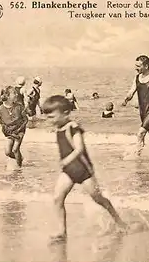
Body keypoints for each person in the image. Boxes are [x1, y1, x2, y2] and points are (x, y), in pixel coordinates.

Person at [41, 95, 132, 242]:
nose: (49, 120)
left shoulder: (73, 127)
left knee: (98, 198)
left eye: (52, 116)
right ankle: (62, 232)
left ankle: (119, 222)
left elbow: (79, 148)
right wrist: (66, 163)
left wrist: (66, 160)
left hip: (83, 170)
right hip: (68, 171)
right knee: (58, 198)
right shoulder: (59, 128)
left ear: (65, 113)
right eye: (47, 117)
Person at [0, 86, 29, 168]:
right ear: (7, 96)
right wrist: (8, 132)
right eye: (14, 93)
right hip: (10, 132)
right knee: (7, 152)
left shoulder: (19, 106)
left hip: (20, 131)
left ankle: (19, 169)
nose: (16, 94)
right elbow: (2, 123)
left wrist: (18, 130)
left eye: (16, 93)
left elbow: (25, 120)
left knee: (15, 149)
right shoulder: (0, 109)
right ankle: (20, 158)